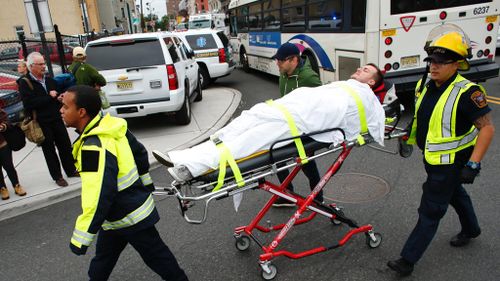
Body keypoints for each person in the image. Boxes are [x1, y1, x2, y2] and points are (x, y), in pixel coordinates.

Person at [387, 24, 495, 276]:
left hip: (452, 162)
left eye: (441, 62)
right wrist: (407, 136)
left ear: (457, 64)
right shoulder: (426, 83)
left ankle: (407, 259)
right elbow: (422, 117)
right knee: (455, 193)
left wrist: (473, 165)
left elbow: (487, 129)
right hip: (433, 159)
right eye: (432, 60)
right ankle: (471, 229)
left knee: (431, 208)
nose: (434, 65)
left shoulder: (468, 93)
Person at [160, 65, 386, 182]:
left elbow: (371, 120)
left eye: (365, 70)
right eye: (360, 67)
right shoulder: (344, 85)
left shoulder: (366, 97)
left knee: (247, 141)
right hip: (287, 109)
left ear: (372, 81)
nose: (359, 69)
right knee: (236, 127)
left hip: (298, 122)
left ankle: (190, 168)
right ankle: (183, 155)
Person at [61, 85, 188, 281]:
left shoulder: (94, 146)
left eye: (65, 107)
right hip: (118, 214)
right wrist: (145, 186)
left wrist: (81, 237)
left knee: (157, 257)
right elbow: (139, 154)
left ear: (81, 112)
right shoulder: (110, 127)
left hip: (129, 216)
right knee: (104, 259)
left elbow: (99, 194)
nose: (61, 111)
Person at [271, 42, 324, 207]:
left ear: (293, 60)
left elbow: (322, 104)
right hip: (287, 126)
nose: (277, 63)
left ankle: (318, 198)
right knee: (277, 157)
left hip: (305, 128)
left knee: (306, 163)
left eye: (280, 60)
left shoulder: (308, 78)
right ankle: (286, 194)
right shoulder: (284, 74)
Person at [18, 52, 78, 187]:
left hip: (56, 119)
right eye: (40, 64)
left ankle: (71, 170)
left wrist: (59, 98)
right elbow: (29, 104)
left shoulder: (50, 80)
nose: (44, 66)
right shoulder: (25, 82)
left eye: (44, 63)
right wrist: (49, 97)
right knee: (49, 150)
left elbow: (55, 98)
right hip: (41, 122)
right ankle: (57, 176)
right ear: (31, 66)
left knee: (65, 145)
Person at [0, 109, 26, 200]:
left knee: (9, 166)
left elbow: (6, 119)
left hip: (2, 144)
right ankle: (2, 188)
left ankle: (16, 185)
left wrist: (3, 126)